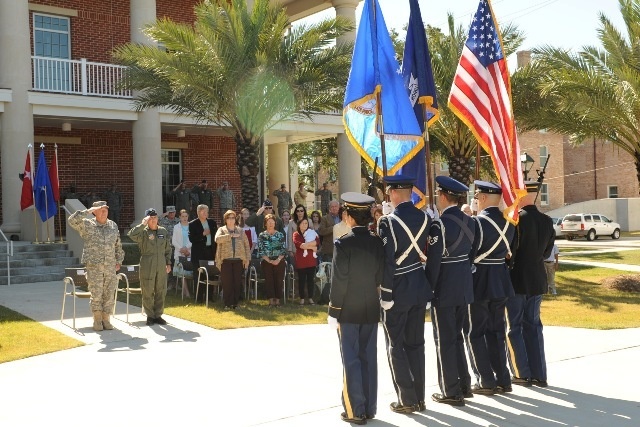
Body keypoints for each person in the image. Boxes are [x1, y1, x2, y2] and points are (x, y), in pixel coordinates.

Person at [377, 175, 433, 414]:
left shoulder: (387, 222)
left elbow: (387, 261)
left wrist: (386, 294)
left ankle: (406, 399)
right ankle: (419, 398)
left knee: (395, 345)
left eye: (389, 192)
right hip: (418, 287)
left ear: (393, 193)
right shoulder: (425, 217)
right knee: (416, 345)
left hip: (398, 290)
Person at [328, 192, 384, 425]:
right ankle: (369, 407)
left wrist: (334, 310)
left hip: (349, 310)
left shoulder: (343, 244)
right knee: (368, 358)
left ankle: (354, 410)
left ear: (349, 216)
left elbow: (339, 280)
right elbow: (380, 275)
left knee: (351, 359)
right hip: (371, 307)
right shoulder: (377, 242)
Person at [426, 176, 476, 407]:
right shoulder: (471, 222)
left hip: (444, 288)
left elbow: (434, 262)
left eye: (438, 194)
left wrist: (428, 288)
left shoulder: (439, 224)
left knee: (445, 340)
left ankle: (451, 391)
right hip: (464, 285)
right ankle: (464, 385)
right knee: (457, 337)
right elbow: (471, 254)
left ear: (444, 196)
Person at [466, 181, 516, 395]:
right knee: (497, 330)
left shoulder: (476, 223)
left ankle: (485, 379)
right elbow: (510, 252)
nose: (476, 200)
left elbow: (471, 253)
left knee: (476, 332)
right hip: (500, 280)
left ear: (483, 198)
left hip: (480, 281)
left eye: (477, 196)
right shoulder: (510, 223)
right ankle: (503, 378)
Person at [506, 181, 555, 388]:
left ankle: (521, 373)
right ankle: (539, 374)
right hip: (537, 279)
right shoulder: (546, 220)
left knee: (515, 327)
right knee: (534, 327)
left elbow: (511, 253)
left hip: (517, 280)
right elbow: (547, 252)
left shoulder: (517, 221)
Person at [68, 201, 124, 331]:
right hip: (94, 266)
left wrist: (119, 260)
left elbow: (118, 245)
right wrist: (87, 211)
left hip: (110, 267)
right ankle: (97, 320)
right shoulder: (87, 225)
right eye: (101, 210)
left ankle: (106, 319)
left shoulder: (113, 226)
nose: (104, 212)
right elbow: (72, 220)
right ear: (94, 212)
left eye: (106, 210)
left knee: (109, 293)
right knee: (97, 294)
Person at [128, 208, 172, 326]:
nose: (153, 220)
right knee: (147, 289)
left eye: (155, 218)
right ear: (146, 219)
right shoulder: (143, 232)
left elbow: (168, 249)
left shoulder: (163, 231)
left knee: (161, 289)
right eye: (150, 218)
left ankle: (158, 315)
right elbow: (131, 235)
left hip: (161, 262)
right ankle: (150, 316)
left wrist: (168, 263)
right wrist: (142, 224)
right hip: (147, 262)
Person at [215, 210, 251, 309]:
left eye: (232, 218)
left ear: (235, 219)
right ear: (225, 219)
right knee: (227, 283)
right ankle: (227, 304)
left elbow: (246, 245)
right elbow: (217, 239)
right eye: (229, 218)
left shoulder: (240, 230)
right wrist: (230, 236)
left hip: (238, 260)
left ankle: (235, 304)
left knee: (236, 282)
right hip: (225, 260)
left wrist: (247, 259)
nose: (231, 220)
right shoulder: (222, 230)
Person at [189, 204, 218, 302]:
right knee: (199, 275)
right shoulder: (193, 224)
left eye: (207, 211)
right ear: (198, 212)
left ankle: (209, 297)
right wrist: (203, 234)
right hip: (198, 254)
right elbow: (192, 239)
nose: (206, 213)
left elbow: (216, 236)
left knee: (210, 274)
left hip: (210, 252)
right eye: (203, 211)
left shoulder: (212, 222)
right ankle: (199, 298)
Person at [258, 214, 287, 307]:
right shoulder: (262, 235)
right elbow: (260, 250)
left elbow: (283, 250)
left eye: (272, 222)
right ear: (265, 224)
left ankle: (278, 301)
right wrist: (268, 260)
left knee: (278, 280)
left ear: (275, 223)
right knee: (269, 281)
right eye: (268, 222)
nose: (270, 224)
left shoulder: (280, 235)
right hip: (267, 262)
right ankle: (271, 301)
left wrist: (278, 260)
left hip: (279, 261)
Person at [293, 217, 320, 305]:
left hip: (311, 261)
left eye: (306, 223)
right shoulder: (296, 234)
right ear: (299, 225)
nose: (305, 225)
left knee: (310, 280)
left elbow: (317, 242)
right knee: (301, 280)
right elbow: (300, 245)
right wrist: (312, 247)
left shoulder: (312, 232)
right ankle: (302, 298)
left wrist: (307, 245)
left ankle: (310, 298)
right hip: (301, 261)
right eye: (303, 223)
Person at [172, 209, 192, 299]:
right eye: (182, 216)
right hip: (179, 252)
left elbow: (192, 239)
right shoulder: (176, 227)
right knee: (182, 273)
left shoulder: (191, 226)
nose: (184, 218)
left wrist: (186, 248)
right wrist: (181, 249)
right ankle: (187, 293)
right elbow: (174, 241)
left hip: (189, 252)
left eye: (186, 216)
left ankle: (185, 292)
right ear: (179, 217)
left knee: (188, 273)